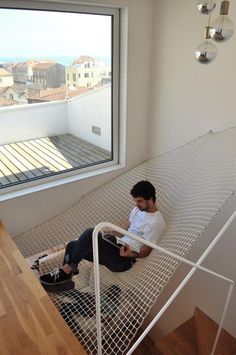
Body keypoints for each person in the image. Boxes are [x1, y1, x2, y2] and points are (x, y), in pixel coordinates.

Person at [39, 180, 166, 291]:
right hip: (115, 247)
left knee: (90, 233)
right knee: (73, 245)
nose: (137, 205)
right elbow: (127, 230)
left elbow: (147, 250)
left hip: (123, 259)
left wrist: (132, 254)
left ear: (150, 199)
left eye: (140, 201)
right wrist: (109, 233)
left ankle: (66, 271)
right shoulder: (137, 210)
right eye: (135, 201)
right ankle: (66, 278)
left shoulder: (156, 223)